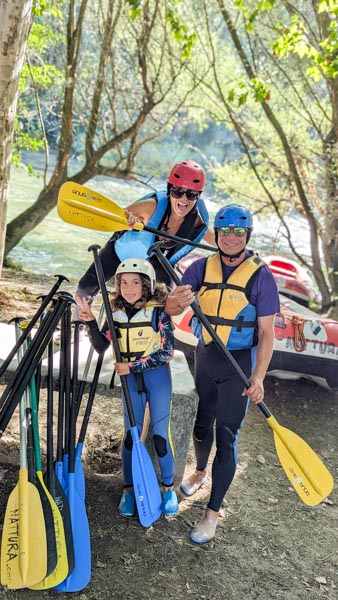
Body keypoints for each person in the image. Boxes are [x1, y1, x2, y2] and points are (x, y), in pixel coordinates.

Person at [167, 204, 280, 544]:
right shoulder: (200, 267)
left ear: (247, 235)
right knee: (202, 423)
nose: (231, 237)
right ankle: (200, 470)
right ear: (217, 234)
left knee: (226, 436)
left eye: (238, 231)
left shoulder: (262, 276)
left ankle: (211, 514)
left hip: (239, 365)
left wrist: (258, 377)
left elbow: (267, 335)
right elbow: (172, 308)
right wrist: (177, 299)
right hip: (205, 356)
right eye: (225, 231)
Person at [77, 258, 179, 519]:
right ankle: (129, 489)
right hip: (129, 382)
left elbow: (167, 352)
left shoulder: (159, 311)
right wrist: (89, 322)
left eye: (135, 282)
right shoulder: (115, 311)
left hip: (156, 378)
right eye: (124, 282)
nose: (129, 287)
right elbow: (101, 346)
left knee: (160, 436)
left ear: (146, 285)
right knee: (130, 436)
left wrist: (132, 367)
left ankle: (168, 488)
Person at [75, 159, 216, 302]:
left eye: (191, 194)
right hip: (122, 253)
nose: (184, 199)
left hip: (157, 264)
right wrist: (127, 220)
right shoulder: (150, 207)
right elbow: (119, 217)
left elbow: (212, 238)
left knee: (163, 303)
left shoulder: (197, 223)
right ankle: (80, 321)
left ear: (198, 196)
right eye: (177, 191)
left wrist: (235, 245)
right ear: (170, 190)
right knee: (85, 288)